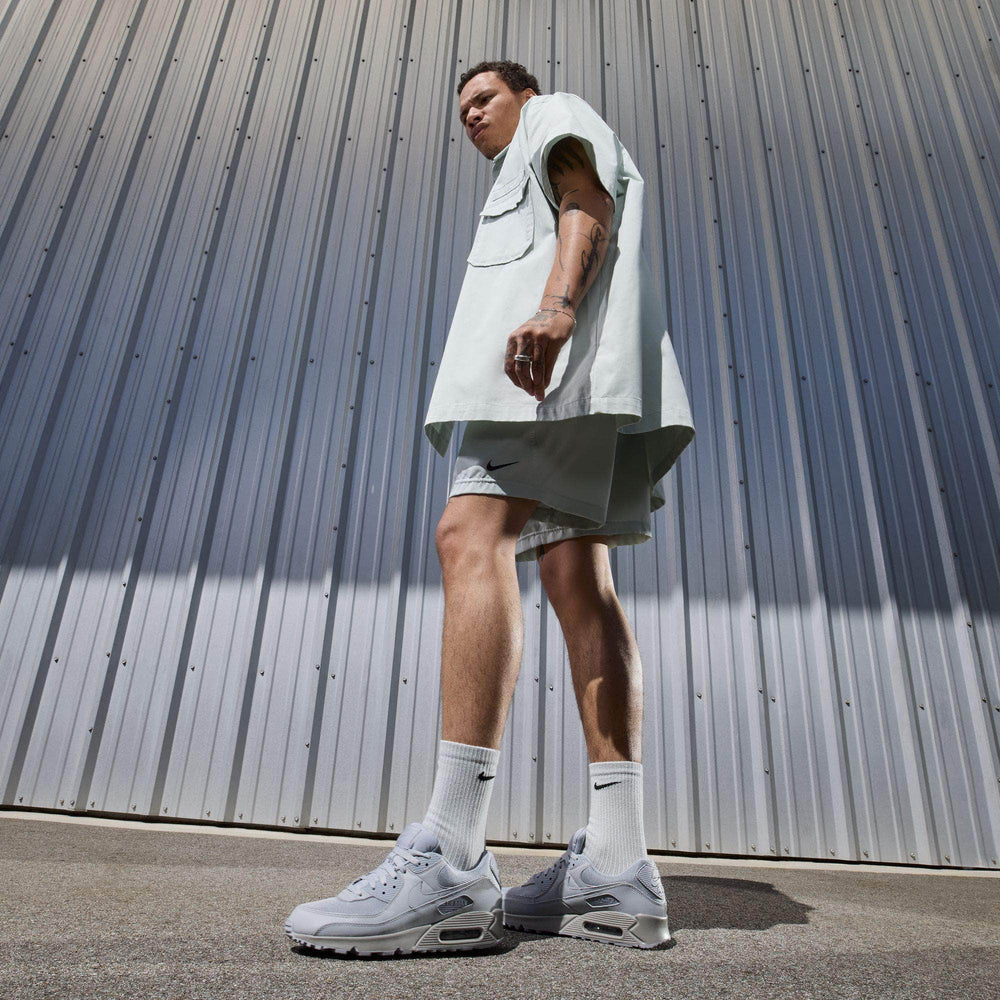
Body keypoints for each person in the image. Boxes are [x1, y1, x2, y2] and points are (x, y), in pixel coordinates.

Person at [284, 60, 695, 956]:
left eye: (485, 98)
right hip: (587, 383)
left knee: (468, 534)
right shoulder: (523, 156)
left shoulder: (554, 118)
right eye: (461, 107)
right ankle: (616, 866)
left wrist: (554, 308)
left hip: (541, 376)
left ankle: (451, 858)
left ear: (525, 96)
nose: (470, 114)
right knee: (578, 577)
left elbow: (586, 199)